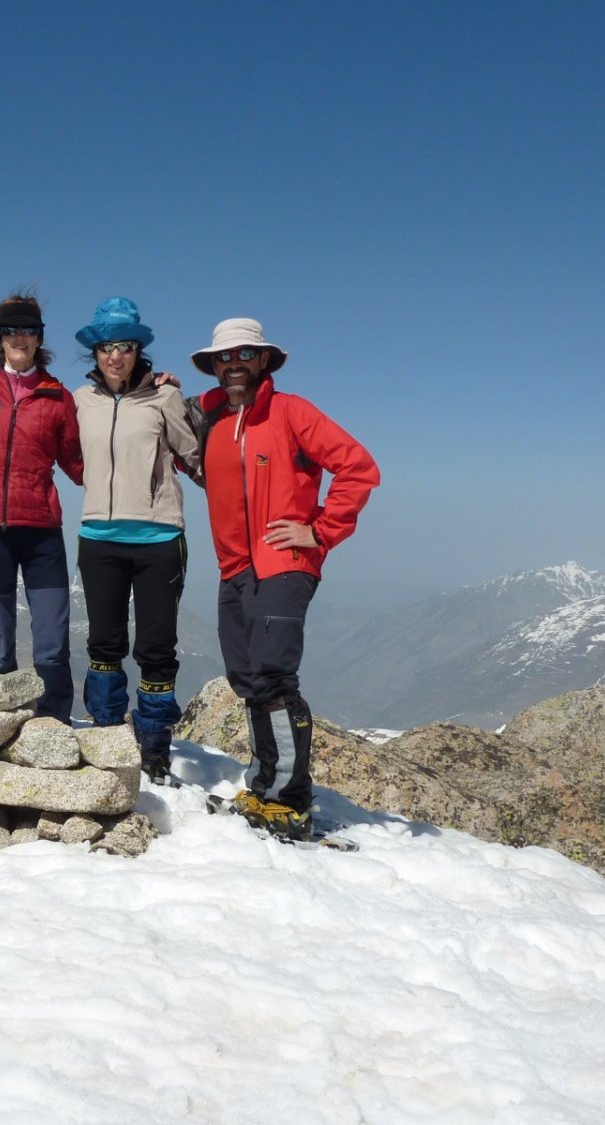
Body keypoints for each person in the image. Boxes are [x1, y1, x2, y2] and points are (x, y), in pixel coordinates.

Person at [189, 318, 379, 839]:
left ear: (264, 360)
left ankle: (290, 802)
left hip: (284, 565)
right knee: (249, 681)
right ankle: (265, 785)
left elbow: (359, 467)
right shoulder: (209, 415)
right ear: (213, 366)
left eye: (245, 355)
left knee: (273, 677)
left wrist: (319, 531)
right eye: (223, 357)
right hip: (234, 567)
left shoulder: (292, 412)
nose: (233, 364)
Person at [72, 298, 203, 782]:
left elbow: (197, 458)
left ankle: (153, 745)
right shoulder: (81, 401)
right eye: (106, 347)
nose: (114, 356)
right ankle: (107, 733)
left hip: (158, 537)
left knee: (156, 645)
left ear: (138, 350)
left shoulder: (164, 398)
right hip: (98, 537)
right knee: (104, 644)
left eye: (124, 346)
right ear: (96, 353)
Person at [0, 291, 84, 721]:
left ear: (38, 339)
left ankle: (53, 727)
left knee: (51, 639)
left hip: (41, 532)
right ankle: (0, 724)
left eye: (29, 330)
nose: (20, 337)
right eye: (12, 330)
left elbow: (78, 462)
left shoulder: (58, 398)